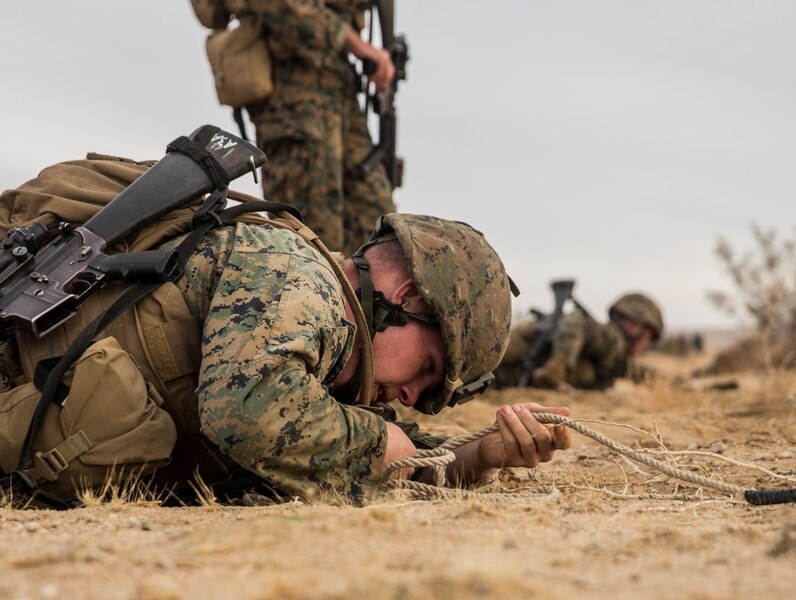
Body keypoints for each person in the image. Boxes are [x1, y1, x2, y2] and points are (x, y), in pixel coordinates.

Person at [0, 157, 570, 505]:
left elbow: (388, 446)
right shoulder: (298, 276)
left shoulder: (325, 357)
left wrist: (480, 456)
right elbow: (248, 408)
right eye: (427, 370)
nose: (409, 397)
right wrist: (374, 448)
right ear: (408, 299)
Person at [200, 0, 397, 256]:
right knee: (310, 245)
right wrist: (358, 46)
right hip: (295, 102)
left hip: (337, 89)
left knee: (379, 238)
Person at [494, 292, 664, 390]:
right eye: (650, 337)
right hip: (522, 346)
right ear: (634, 327)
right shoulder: (613, 340)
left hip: (510, 374)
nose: (647, 345)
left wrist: (674, 384)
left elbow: (637, 372)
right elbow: (575, 321)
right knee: (486, 356)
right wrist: (559, 364)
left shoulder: (617, 359)